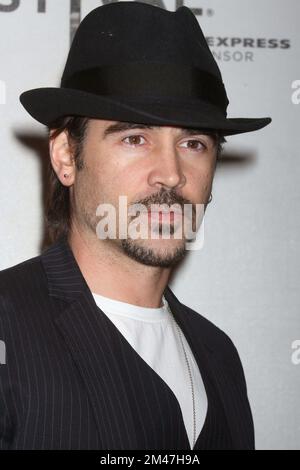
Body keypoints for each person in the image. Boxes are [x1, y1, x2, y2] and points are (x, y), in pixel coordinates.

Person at [0, 2, 271, 450]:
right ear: (67, 156)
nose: (171, 172)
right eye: (134, 138)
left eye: (193, 142)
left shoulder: (219, 354)